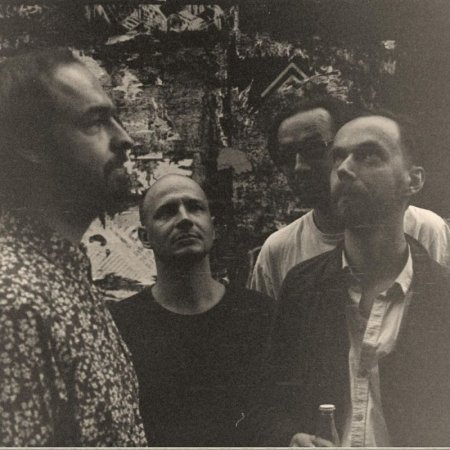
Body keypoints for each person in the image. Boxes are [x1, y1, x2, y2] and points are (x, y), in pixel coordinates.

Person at [265, 113, 450, 446]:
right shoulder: (301, 287)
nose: (344, 169)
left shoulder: (442, 296)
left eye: (369, 156)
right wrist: (290, 436)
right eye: (338, 157)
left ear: (413, 180)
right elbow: (271, 401)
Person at [0, 49, 147, 445]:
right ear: (30, 143)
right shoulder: (14, 298)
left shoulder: (62, 273)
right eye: (95, 121)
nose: (125, 139)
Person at [109, 174, 274, 446]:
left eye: (195, 207)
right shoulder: (119, 326)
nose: (184, 219)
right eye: (167, 212)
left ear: (213, 227)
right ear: (144, 237)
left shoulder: (260, 314)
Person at [249, 97, 450, 300]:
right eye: (286, 155)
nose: (299, 166)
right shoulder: (278, 251)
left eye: (315, 149)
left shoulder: (424, 228)